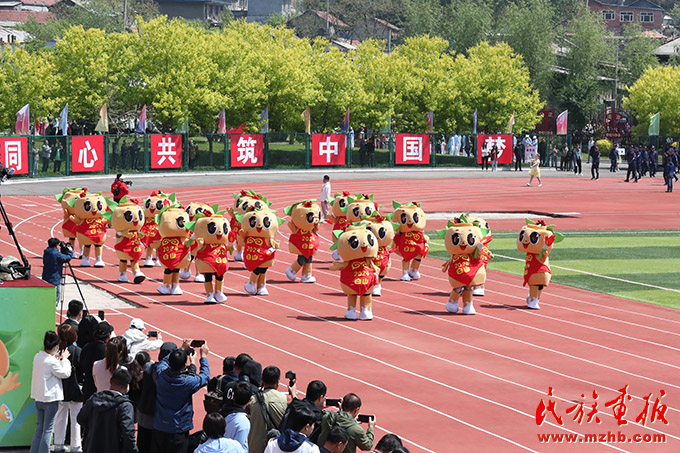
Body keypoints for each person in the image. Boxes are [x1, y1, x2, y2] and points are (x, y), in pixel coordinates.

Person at [152, 339, 210, 453]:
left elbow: (163, 362)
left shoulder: (160, 374)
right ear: (184, 365)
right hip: (178, 429)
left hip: (160, 425)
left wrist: (182, 349)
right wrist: (203, 357)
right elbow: (205, 377)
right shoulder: (187, 383)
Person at [77, 367, 138, 453]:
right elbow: (128, 432)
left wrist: (92, 429)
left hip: (92, 446)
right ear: (127, 386)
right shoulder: (125, 406)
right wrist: (133, 449)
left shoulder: (94, 399)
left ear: (110, 381)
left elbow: (80, 418)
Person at [30, 330, 71, 453]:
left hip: (39, 397)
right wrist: (64, 360)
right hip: (50, 399)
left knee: (39, 428)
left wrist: (57, 358)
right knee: (48, 430)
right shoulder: (52, 361)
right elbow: (65, 373)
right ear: (55, 347)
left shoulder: (38, 357)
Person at [135, 342, 180, 453]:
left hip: (144, 413)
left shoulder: (148, 368)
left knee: (142, 444)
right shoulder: (170, 377)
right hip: (159, 418)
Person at [53, 324, 83, 453]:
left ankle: (58, 443)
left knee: (60, 416)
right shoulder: (77, 351)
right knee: (76, 418)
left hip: (61, 387)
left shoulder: (57, 351)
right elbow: (82, 369)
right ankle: (75, 445)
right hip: (75, 387)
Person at [249, 366, 290, 453]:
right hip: (276, 448)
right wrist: (293, 394)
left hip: (255, 447)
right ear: (277, 382)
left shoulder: (252, 400)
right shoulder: (285, 400)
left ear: (262, 379)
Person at [279, 380, 327, 444]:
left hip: (284, 440)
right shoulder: (319, 416)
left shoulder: (294, 405)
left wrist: (293, 393)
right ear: (321, 397)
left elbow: (296, 401)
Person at [80, 321, 114, 399]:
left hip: (87, 385)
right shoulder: (107, 351)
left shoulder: (87, 346)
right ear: (108, 336)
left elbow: (81, 363)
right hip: (102, 387)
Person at [42, 238, 73, 305]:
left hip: (46, 277)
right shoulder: (56, 254)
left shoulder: (46, 252)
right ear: (56, 245)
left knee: (46, 298)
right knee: (54, 300)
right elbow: (67, 258)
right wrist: (70, 251)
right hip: (54, 279)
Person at [225, 381, 252, 451]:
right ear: (250, 400)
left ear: (233, 397)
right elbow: (238, 448)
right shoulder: (243, 422)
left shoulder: (222, 412)